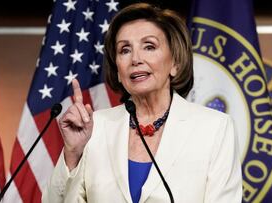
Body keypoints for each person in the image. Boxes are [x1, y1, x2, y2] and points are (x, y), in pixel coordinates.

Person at [43, 3, 242, 203]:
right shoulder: (94, 128)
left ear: (175, 63)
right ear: (118, 70)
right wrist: (73, 153)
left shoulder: (214, 127)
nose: (135, 59)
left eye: (149, 46)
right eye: (124, 50)